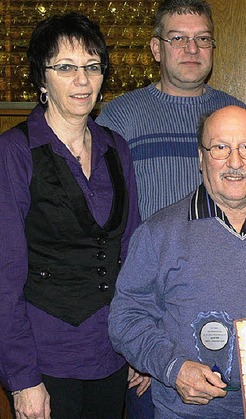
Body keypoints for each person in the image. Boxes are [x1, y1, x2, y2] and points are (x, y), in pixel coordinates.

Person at [108, 105, 246, 418]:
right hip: (190, 413)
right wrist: (174, 368)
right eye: (220, 148)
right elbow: (125, 318)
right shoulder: (159, 233)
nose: (235, 162)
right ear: (201, 158)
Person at [0, 13, 146, 418]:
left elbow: (132, 252)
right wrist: (22, 377)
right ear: (41, 79)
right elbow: (4, 273)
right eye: (65, 67)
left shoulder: (115, 147)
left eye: (92, 67)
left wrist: (138, 343)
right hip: (46, 358)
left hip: (112, 352)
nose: (82, 81)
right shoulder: (13, 153)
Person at [97, 0, 246, 221]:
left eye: (202, 39)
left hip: (223, 254)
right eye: (178, 39)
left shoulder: (237, 115)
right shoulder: (120, 117)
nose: (192, 49)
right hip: (148, 254)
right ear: (156, 49)